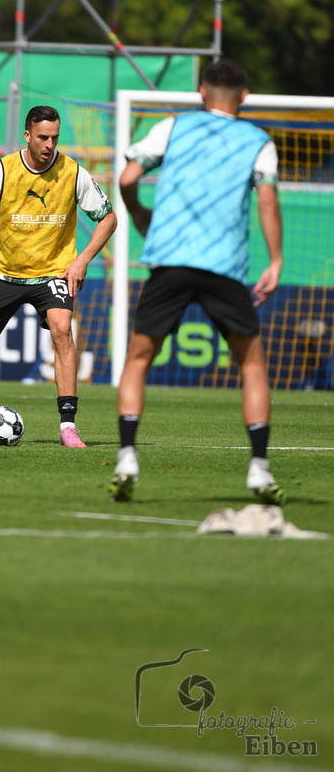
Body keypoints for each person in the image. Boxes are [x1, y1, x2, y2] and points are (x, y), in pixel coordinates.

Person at [111, 60, 284, 503]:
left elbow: (128, 176)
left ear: (201, 92)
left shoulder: (172, 127)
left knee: (138, 358)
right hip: (225, 266)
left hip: (170, 260)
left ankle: (128, 455)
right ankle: (259, 468)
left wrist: (139, 212)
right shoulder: (259, 142)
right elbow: (267, 198)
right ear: (243, 96)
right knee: (251, 365)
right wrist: (276, 259)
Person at [0, 104, 117, 447]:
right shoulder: (4, 169)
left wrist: (81, 261)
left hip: (53, 272)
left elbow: (108, 219)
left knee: (62, 331)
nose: (49, 144)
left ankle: (68, 426)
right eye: (42, 137)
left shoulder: (73, 172)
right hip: (6, 273)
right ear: (27, 135)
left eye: (54, 137)